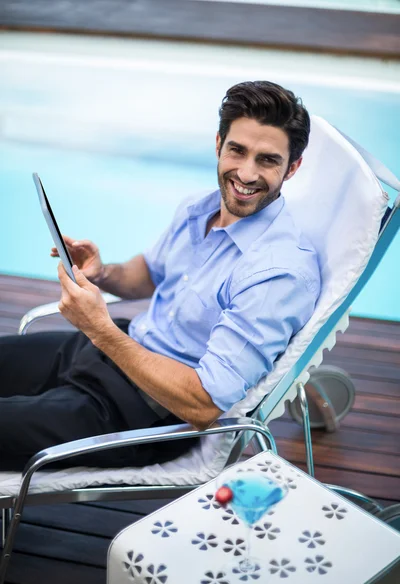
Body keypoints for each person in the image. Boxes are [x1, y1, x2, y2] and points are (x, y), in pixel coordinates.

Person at [0, 81, 320, 471]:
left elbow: (202, 406)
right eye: (237, 150)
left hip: (140, 412)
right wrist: (104, 273)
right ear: (219, 144)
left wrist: (99, 328)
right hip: (111, 350)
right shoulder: (198, 209)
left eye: (267, 160)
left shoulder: (278, 275)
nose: (247, 173)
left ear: (293, 168)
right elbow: (149, 275)